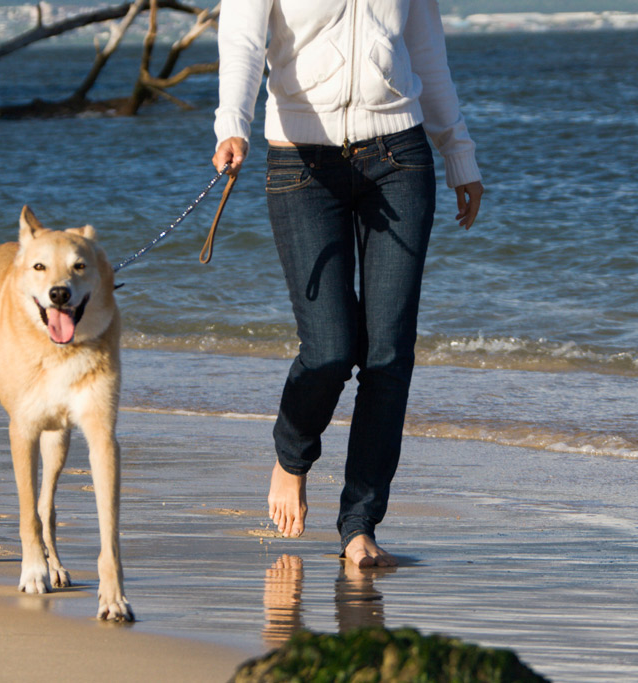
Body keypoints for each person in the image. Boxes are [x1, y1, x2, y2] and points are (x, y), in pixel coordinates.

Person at [212, 0, 483, 568]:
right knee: (330, 349)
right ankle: (292, 455)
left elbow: (427, 49)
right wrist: (232, 125)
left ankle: (359, 524)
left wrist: (458, 150)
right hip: (300, 165)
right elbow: (241, 37)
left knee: (388, 353)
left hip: (399, 156)